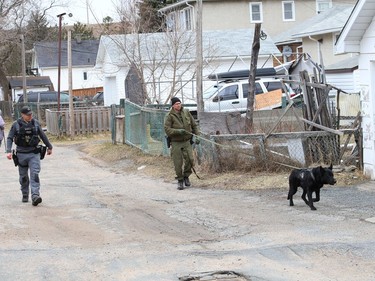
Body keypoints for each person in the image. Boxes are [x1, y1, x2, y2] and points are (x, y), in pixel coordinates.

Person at [6, 106, 53, 206]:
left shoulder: (35, 123)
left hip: (34, 153)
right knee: (23, 177)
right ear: (22, 115)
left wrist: (49, 147)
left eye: (31, 114)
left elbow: (42, 135)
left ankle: (35, 196)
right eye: (28, 115)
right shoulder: (16, 125)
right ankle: (25, 194)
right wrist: (8, 151)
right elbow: (9, 138)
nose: (30, 116)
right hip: (21, 155)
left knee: (35, 174)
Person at [164, 97, 200, 190]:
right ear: (172, 105)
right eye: (176, 104)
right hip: (176, 142)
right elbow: (167, 130)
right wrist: (178, 131)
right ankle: (180, 180)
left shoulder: (186, 112)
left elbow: (194, 125)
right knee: (178, 162)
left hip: (187, 141)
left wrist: (198, 136)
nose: (178, 105)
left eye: (179, 103)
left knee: (190, 159)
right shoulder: (169, 116)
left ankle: (186, 177)